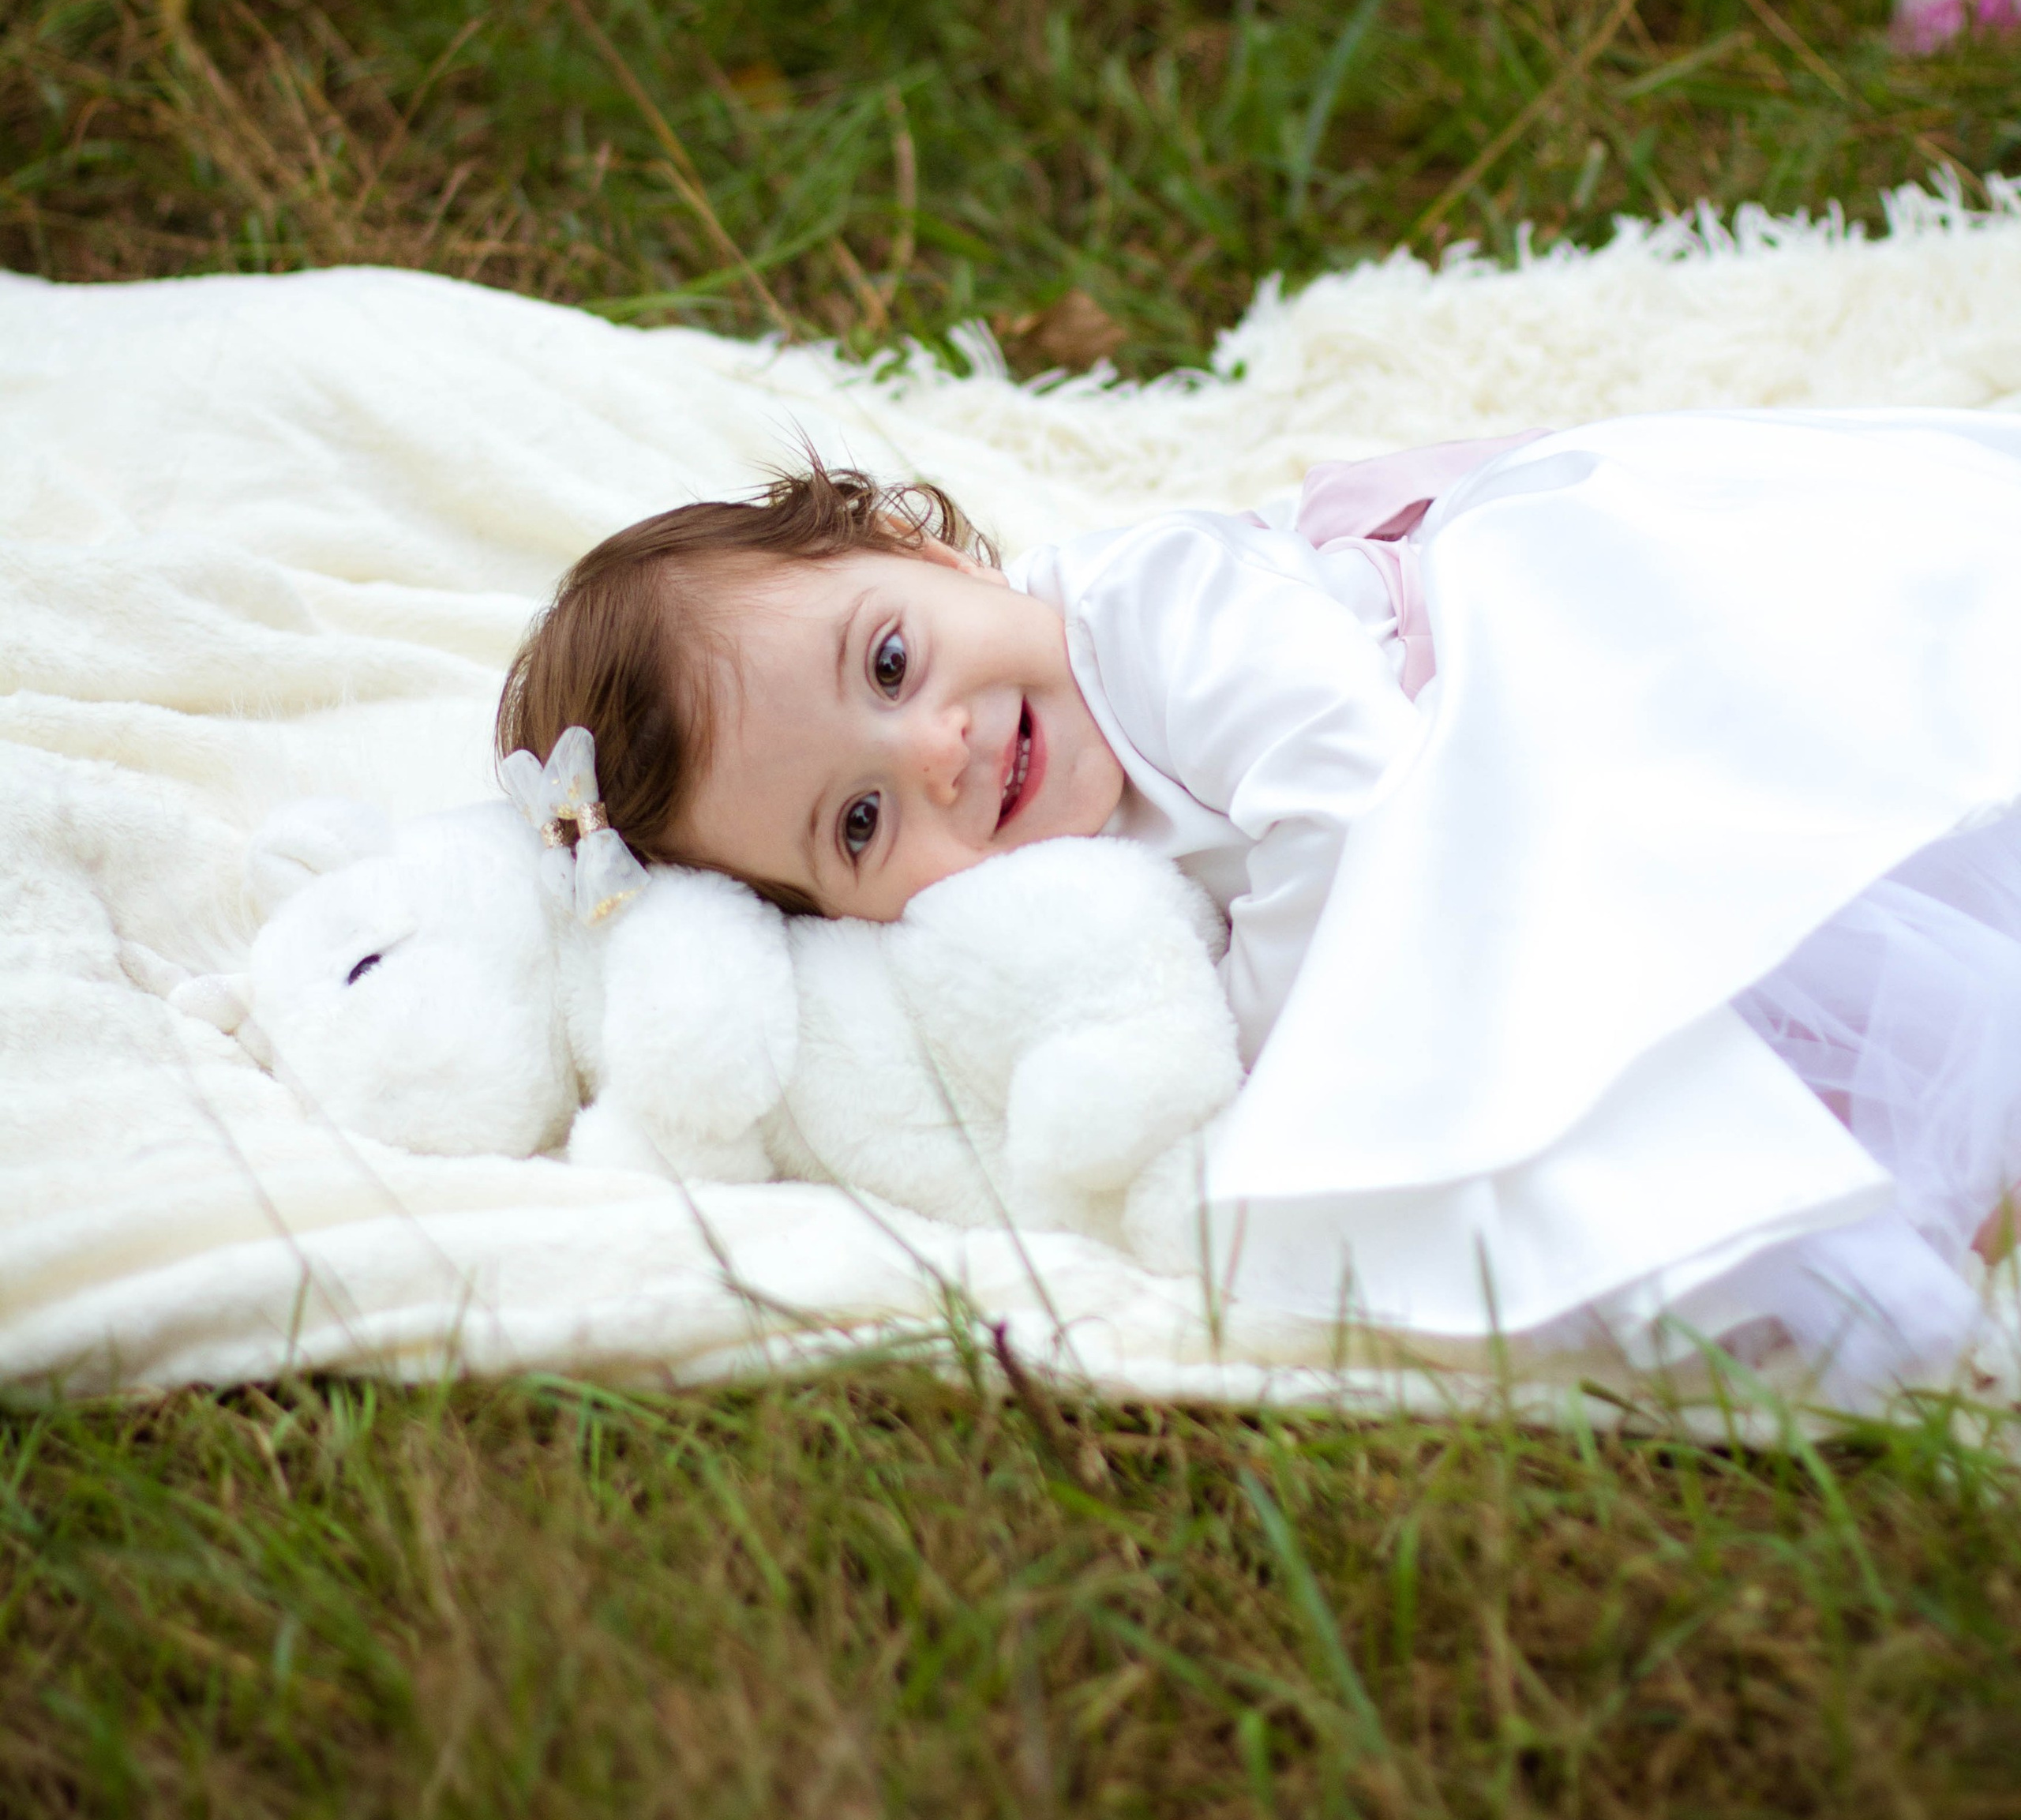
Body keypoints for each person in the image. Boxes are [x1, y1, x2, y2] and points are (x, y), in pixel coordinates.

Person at [497, 413, 2021, 1409]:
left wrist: (1276, 1064)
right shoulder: (1024, 911)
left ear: (919, 549)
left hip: (1569, 683)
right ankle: (1825, 1253)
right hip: (1467, 885)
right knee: (1548, 1082)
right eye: (859, 820)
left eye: (891, 664)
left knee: (1542, 987)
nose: (936, 749)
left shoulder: (1154, 608)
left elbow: (1357, 795)